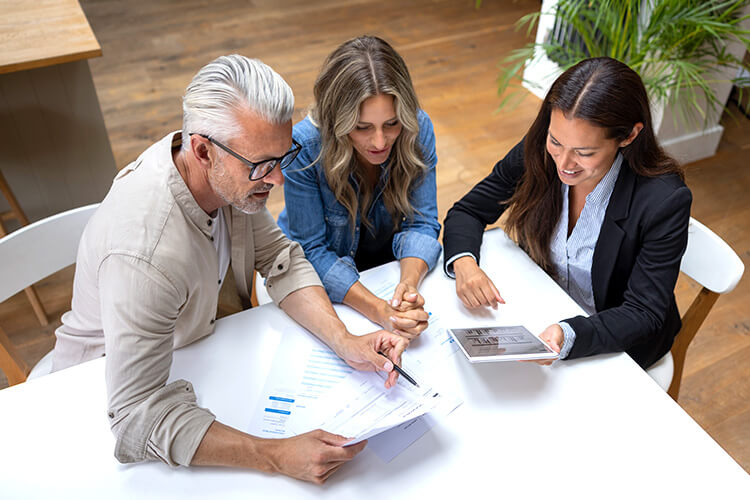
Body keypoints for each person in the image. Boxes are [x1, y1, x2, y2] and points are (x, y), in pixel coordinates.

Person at [50, 55, 408, 484]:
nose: (276, 181)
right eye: (261, 165)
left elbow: (282, 260)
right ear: (202, 151)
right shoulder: (145, 256)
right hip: (91, 400)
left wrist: (345, 340)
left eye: (282, 156)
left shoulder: (230, 174)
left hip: (200, 353)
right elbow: (134, 416)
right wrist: (274, 455)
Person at [442, 57, 692, 369]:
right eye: (556, 142)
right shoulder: (541, 150)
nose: (564, 164)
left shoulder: (664, 200)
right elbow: (468, 210)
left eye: (585, 153)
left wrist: (568, 333)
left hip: (615, 340)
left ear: (628, 136)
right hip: (545, 305)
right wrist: (465, 263)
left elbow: (643, 311)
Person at [277, 36, 441, 340]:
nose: (380, 142)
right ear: (336, 121)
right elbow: (311, 250)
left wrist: (407, 289)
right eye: (362, 127)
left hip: (384, 268)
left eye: (391, 124)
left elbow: (422, 222)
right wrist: (379, 310)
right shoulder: (304, 148)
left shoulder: (418, 130)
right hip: (324, 273)